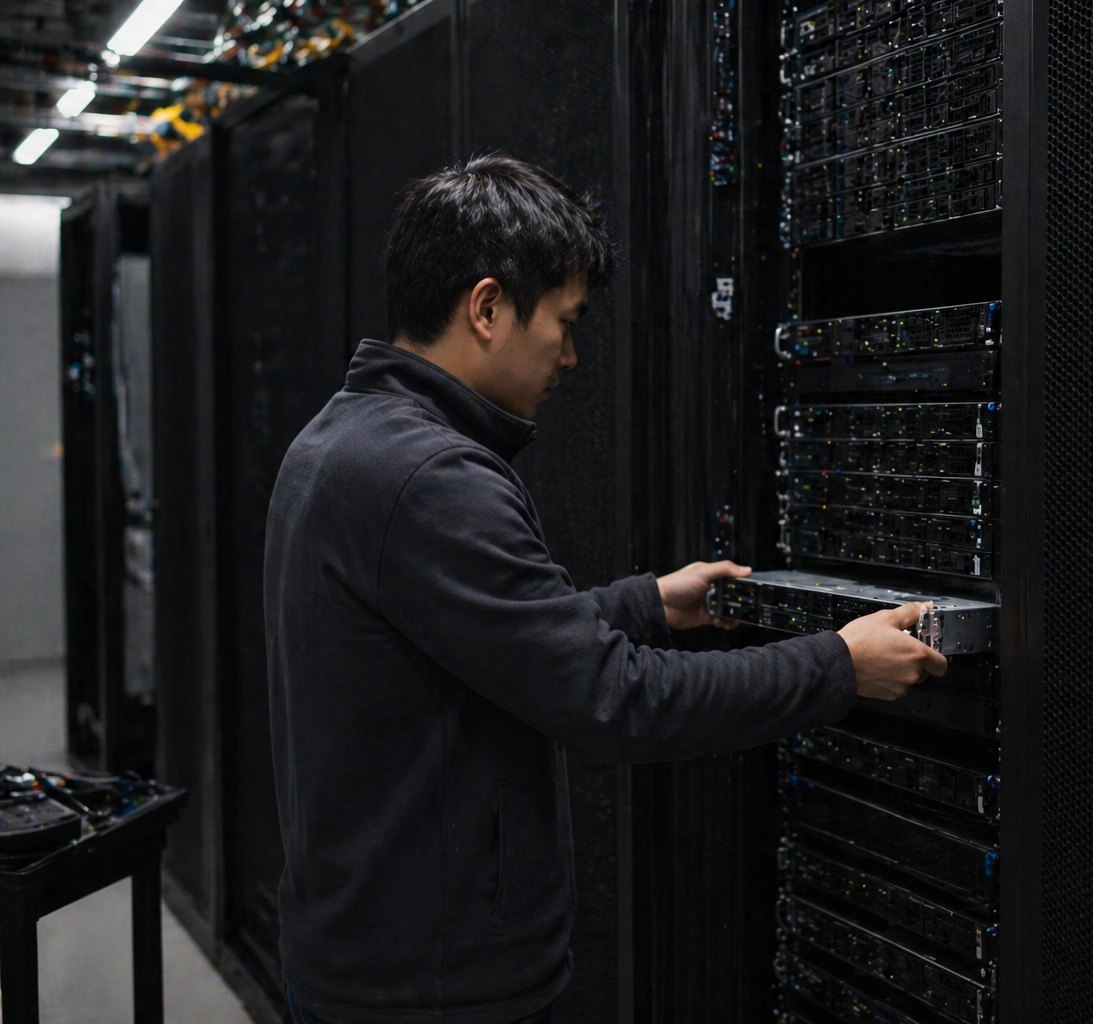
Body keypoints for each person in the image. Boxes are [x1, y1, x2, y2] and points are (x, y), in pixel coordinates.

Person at [263, 154, 947, 1024]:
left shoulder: (341, 440)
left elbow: (475, 643)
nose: (572, 355)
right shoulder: (431, 477)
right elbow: (612, 700)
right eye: (564, 321)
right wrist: (837, 666)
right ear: (485, 308)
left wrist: (645, 604)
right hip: (430, 990)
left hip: (362, 952)